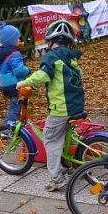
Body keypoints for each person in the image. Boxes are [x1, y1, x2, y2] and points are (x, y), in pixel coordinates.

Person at [17, 19, 85, 192]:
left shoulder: (52, 56)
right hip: (76, 105)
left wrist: (24, 82)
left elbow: (43, 75)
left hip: (61, 109)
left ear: (50, 41)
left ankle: (56, 178)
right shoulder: (71, 58)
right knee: (60, 137)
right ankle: (65, 164)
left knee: (50, 139)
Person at [0, 21, 30, 125]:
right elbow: (18, 70)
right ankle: (8, 126)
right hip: (15, 83)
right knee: (16, 104)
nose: (19, 40)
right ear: (12, 41)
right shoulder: (14, 53)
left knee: (20, 102)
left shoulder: (0, 53)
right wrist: (27, 70)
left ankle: (22, 121)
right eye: (17, 38)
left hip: (5, 84)